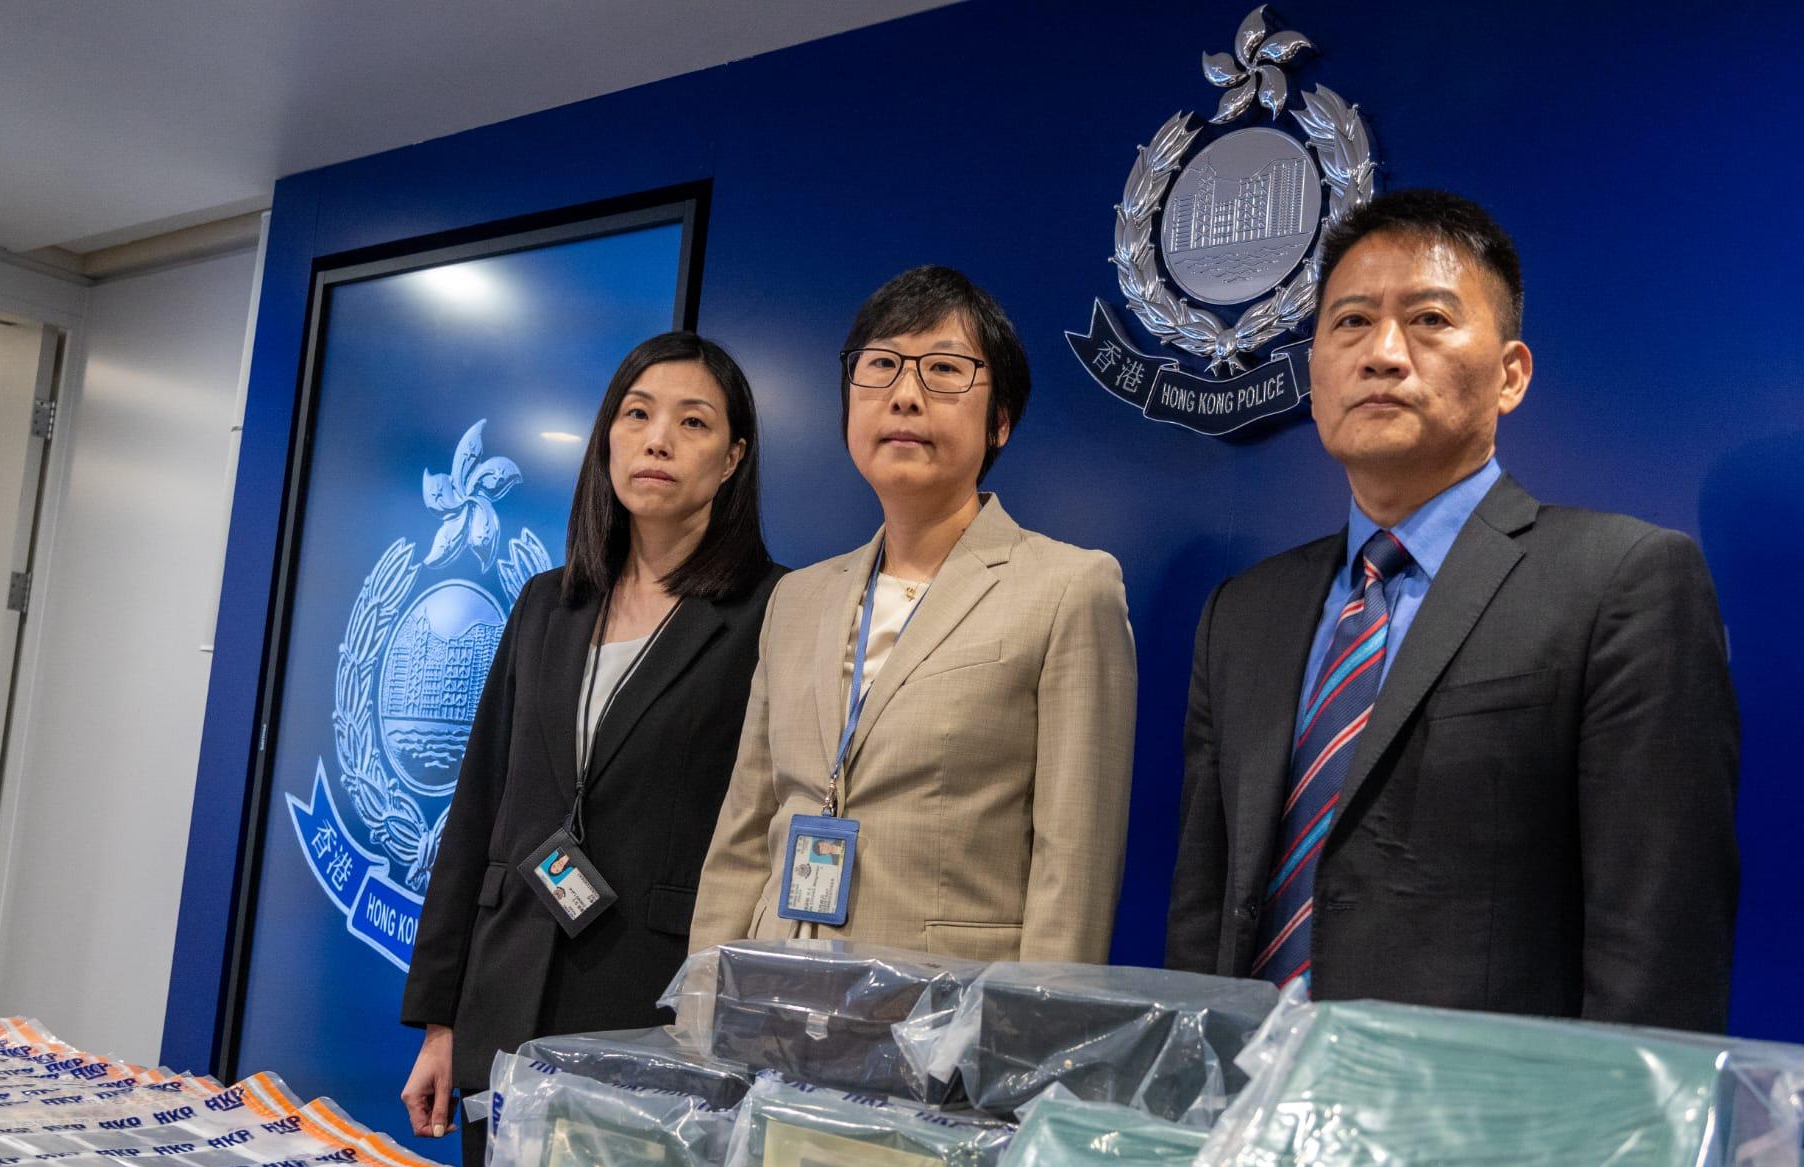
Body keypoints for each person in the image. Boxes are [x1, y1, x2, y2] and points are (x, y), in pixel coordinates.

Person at [1164, 190, 1739, 1030]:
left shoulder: (1622, 581)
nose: (1383, 353)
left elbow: (1659, 944)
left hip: (1479, 1106)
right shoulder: (1242, 615)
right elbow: (1203, 914)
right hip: (1248, 1092)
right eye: (1351, 322)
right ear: (1314, 377)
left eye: (1429, 319)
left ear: (1511, 375)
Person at [400, 332, 782, 1167]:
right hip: (504, 999)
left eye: (693, 422)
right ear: (607, 437)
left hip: (650, 1010)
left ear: (732, 458)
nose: (658, 440)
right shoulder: (548, 602)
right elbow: (478, 806)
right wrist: (441, 1019)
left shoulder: (771, 613)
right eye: (637, 415)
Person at [689, 266, 1137, 963]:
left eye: (944, 370)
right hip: (772, 999)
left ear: (1000, 422)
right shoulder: (796, 599)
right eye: (881, 366)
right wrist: (703, 1004)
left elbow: (1072, 870)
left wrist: (1028, 1028)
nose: (904, 394)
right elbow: (743, 838)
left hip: (944, 1009)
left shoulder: (1069, 589)